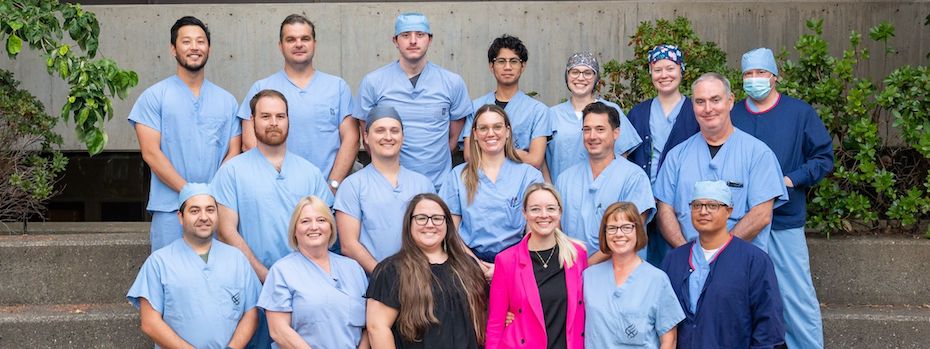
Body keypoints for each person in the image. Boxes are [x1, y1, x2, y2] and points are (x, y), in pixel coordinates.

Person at [731, 47, 833, 349]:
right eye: (748, 74)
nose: (754, 79)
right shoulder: (733, 113)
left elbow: (823, 158)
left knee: (795, 296)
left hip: (783, 220)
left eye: (761, 73)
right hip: (741, 221)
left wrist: (791, 179)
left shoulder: (799, 113)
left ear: (775, 76)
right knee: (741, 295)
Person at [129, 16, 241, 251]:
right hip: (171, 209)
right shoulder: (154, 97)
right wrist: (190, 192)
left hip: (215, 209)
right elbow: (151, 153)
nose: (194, 47)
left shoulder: (227, 101)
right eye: (186, 41)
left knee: (215, 280)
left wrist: (209, 197)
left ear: (208, 48)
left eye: (200, 41)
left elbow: (234, 152)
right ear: (173, 49)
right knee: (169, 280)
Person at [653, 73, 788, 251]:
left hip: (739, 261)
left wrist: (719, 254)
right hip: (687, 264)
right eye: (700, 102)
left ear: (730, 101)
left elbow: (761, 214)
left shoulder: (758, 153)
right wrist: (687, 254)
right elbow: (664, 209)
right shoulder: (676, 156)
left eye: (715, 100)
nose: (708, 109)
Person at [212, 89, 334, 282]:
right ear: (252, 120)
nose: (274, 123)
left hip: (304, 281)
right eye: (266, 116)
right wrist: (267, 277)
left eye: (280, 116)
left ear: (288, 120)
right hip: (251, 281)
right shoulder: (231, 172)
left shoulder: (310, 173)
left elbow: (323, 231)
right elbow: (226, 232)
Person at [127, 183, 260, 348]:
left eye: (210, 210)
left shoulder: (237, 259)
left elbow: (251, 313)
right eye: (195, 211)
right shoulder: (159, 262)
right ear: (180, 217)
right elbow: (150, 323)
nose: (204, 217)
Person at [238, 14, 358, 194]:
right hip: (275, 192)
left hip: (326, 195)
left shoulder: (337, 87)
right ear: (281, 46)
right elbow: (249, 143)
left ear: (314, 44)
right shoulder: (261, 87)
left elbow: (351, 139)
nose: (299, 44)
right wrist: (275, 185)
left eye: (305, 39)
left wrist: (332, 186)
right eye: (291, 39)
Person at [660, 181, 785, 348]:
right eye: (697, 205)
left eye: (712, 205)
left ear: (729, 211)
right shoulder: (674, 260)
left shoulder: (753, 260)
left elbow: (769, 326)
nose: (703, 211)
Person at [355, 12, 472, 190]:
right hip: (388, 184)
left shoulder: (452, 82)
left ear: (430, 39)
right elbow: (368, 137)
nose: (413, 41)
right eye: (405, 35)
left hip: (438, 185)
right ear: (395, 40)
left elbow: (453, 139)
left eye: (420, 34)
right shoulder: (373, 82)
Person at [366, 193, 488, 349]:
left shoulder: (468, 265)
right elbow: (377, 328)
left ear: (447, 224)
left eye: (437, 218)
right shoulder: (391, 270)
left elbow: (486, 315)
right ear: (409, 223)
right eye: (421, 218)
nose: (430, 224)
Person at [440, 105, 543, 274]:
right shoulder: (458, 176)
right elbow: (451, 232)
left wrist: (505, 267)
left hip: (518, 265)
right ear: (474, 134)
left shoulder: (529, 176)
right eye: (483, 128)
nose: (490, 133)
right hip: (468, 264)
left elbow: (534, 232)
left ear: (507, 131)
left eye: (497, 127)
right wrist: (476, 265)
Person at [259, 196, 369, 349]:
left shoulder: (354, 269)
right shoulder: (282, 271)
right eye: (305, 221)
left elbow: (368, 326)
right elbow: (279, 331)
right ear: (295, 231)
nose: (314, 226)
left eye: (321, 220)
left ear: (331, 227)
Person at [486, 183, 587, 349]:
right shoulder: (506, 261)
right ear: (524, 213)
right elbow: (495, 324)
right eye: (535, 209)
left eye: (551, 208)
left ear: (560, 212)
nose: (544, 215)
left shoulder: (577, 254)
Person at [335, 106, 435, 273]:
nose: (388, 137)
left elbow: (435, 236)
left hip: (419, 280)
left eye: (394, 131)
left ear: (402, 136)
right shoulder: (352, 186)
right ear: (366, 137)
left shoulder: (423, 185)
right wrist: (383, 277)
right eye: (380, 130)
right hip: (372, 283)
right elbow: (348, 245)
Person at [626, 44, 700, 266]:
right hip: (643, 203)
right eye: (658, 69)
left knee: (679, 263)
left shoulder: (695, 111)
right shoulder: (638, 113)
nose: (664, 75)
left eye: (670, 68)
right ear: (650, 72)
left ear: (681, 70)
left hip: (682, 203)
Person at [556, 102, 654, 265]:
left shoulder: (634, 178)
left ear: (616, 133)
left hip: (617, 274)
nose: (592, 136)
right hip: (570, 272)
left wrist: (585, 266)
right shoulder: (565, 179)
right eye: (587, 130)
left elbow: (630, 232)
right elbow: (556, 231)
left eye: (600, 129)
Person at [584, 201, 684, 349]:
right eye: (612, 228)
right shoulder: (588, 277)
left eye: (626, 227)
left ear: (638, 231)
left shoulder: (656, 280)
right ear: (604, 234)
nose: (619, 234)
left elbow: (669, 340)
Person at [546, 51, 641, 183]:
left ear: (596, 78)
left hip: (604, 192)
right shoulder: (551, 114)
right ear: (567, 76)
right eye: (574, 72)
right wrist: (550, 189)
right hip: (562, 194)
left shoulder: (611, 110)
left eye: (587, 73)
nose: (580, 78)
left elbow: (621, 155)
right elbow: (542, 158)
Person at [462, 34, 551, 168]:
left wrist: (489, 149)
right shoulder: (475, 107)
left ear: (523, 66)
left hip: (523, 184)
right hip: (483, 182)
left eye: (514, 61)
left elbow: (535, 160)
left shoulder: (538, 110)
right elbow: (470, 155)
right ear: (491, 66)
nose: (507, 67)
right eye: (501, 61)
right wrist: (520, 153)